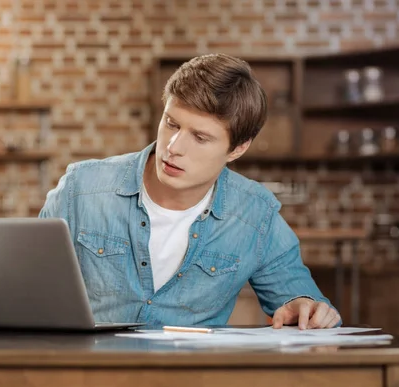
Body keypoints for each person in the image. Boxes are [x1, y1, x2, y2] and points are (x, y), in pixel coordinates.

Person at [39, 53, 341, 329]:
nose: (173, 148)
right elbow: (27, 289)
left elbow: (305, 304)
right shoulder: (82, 189)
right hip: (85, 379)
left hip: (191, 385)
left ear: (237, 149)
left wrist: (307, 308)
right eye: (171, 124)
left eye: (199, 137)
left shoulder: (255, 214)